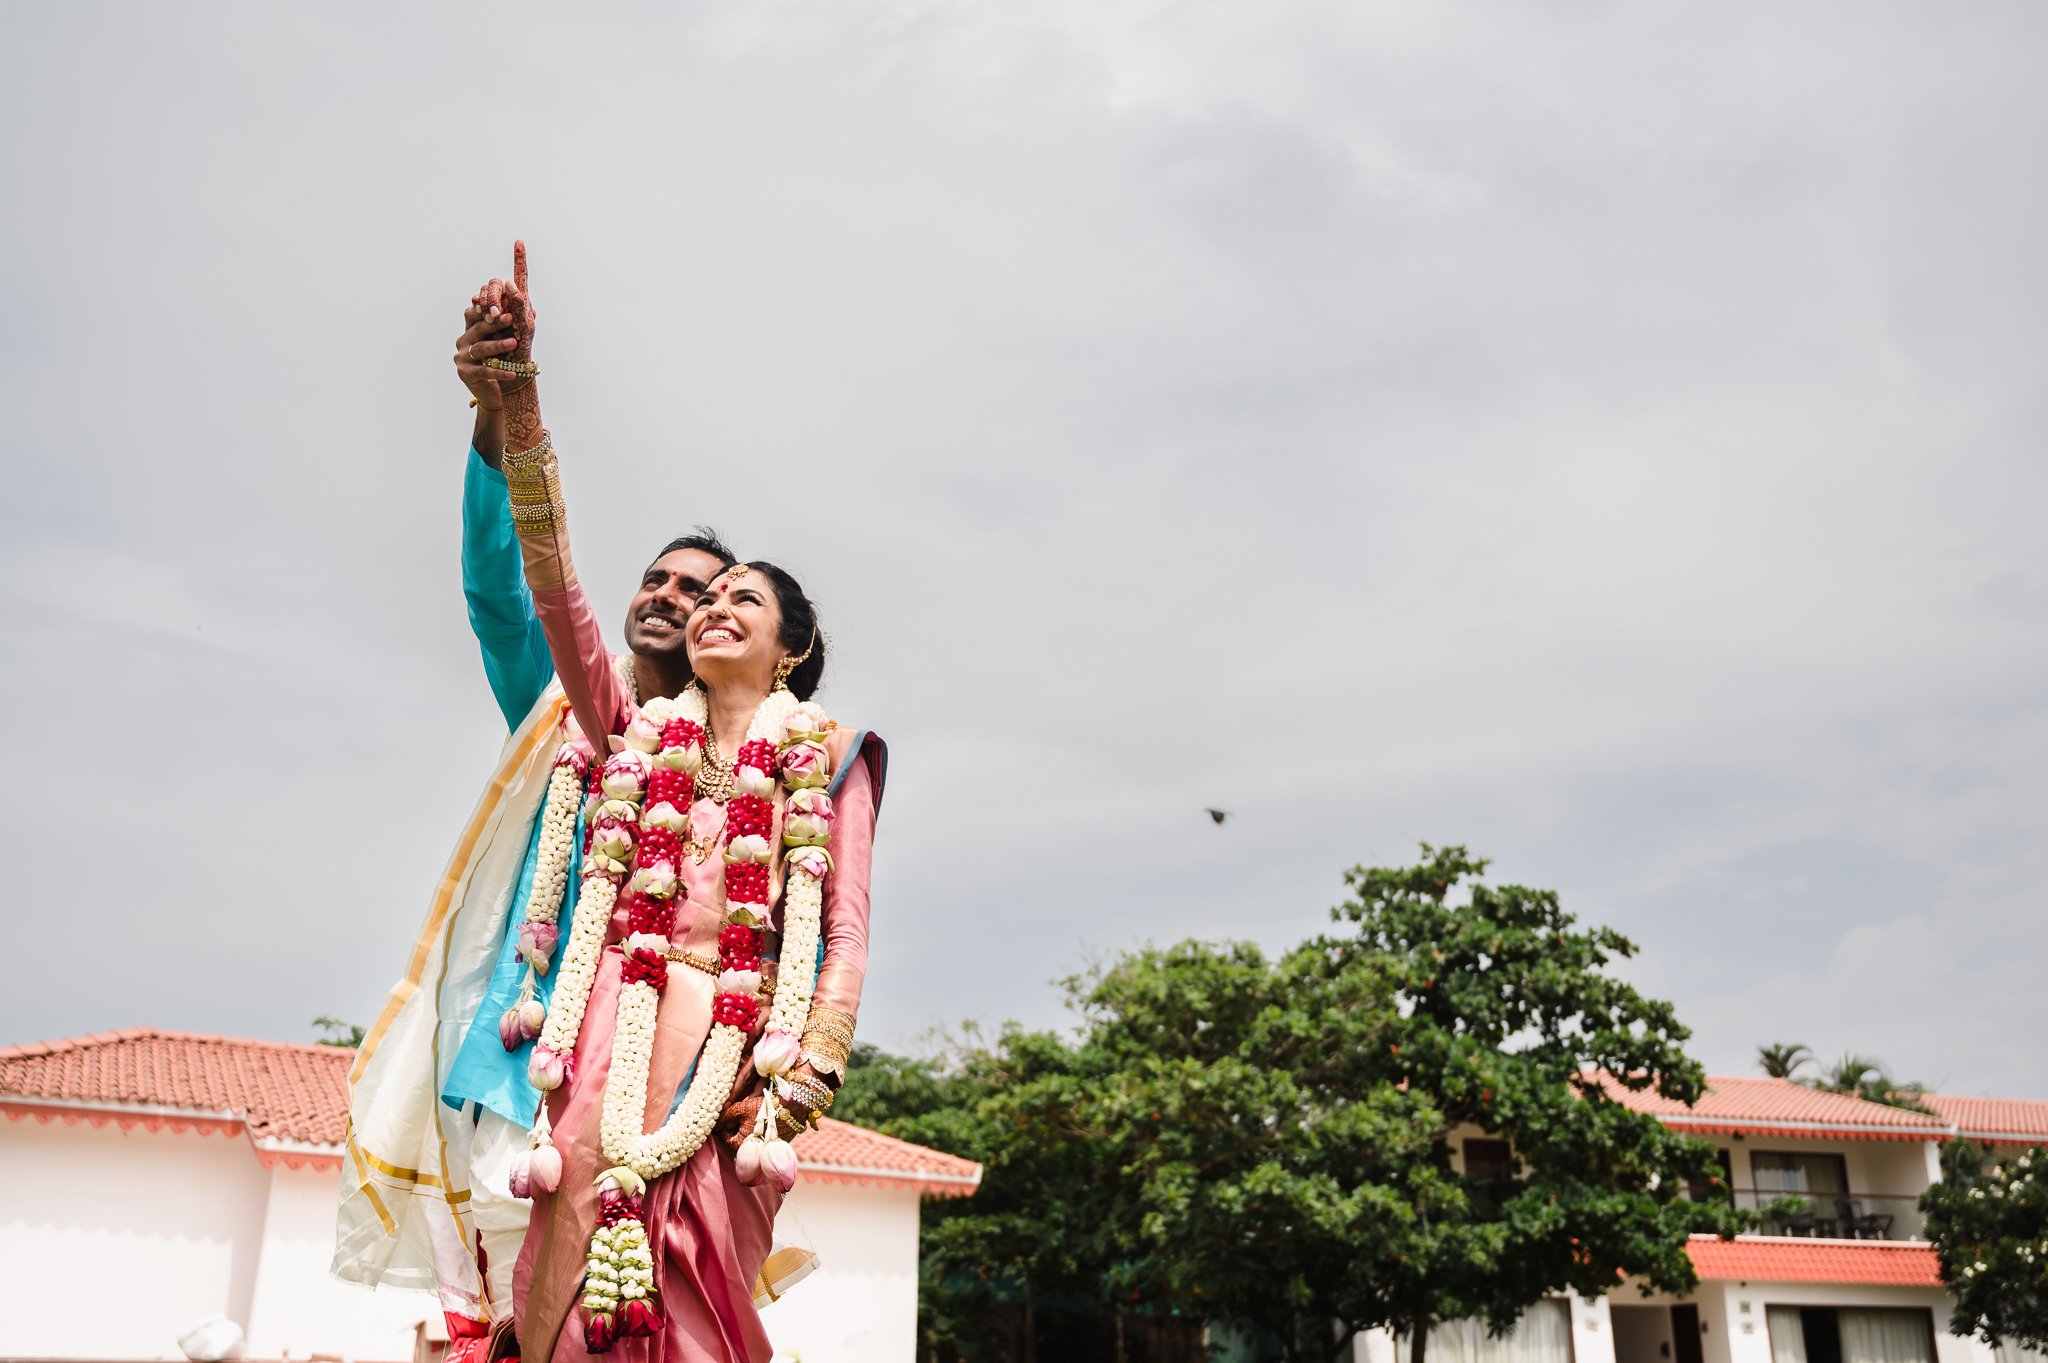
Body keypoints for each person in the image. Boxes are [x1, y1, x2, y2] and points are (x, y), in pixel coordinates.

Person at [338, 244, 884, 1363]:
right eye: (697, 595)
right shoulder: (616, 732)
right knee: (566, 1263)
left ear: (792, 650)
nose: (707, 607)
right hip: (592, 1024)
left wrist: (796, 1081)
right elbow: (544, 581)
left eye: (738, 595)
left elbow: (841, 934)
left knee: (695, 1283)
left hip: (741, 1050)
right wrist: (517, 404)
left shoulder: (829, 759)